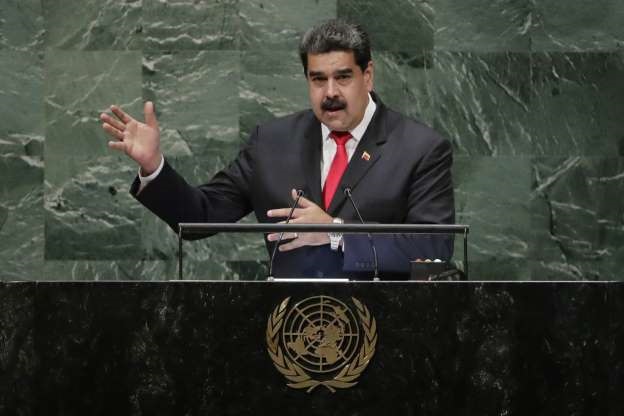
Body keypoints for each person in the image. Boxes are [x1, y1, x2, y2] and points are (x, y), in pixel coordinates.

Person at [100, 19, 454, 279]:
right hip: (287, 330)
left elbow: (433, 250)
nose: (330, 92)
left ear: (368, 75)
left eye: (343, 77)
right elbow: (200, 218)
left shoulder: (420, 148)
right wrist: (153, 166)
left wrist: (335, 231)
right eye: (318, 79)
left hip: (388, 332)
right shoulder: (271, 142)